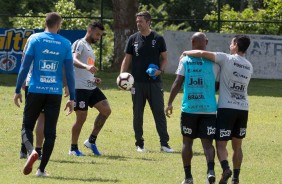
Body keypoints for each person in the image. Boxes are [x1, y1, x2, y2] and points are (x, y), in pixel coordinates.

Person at [182, 35, 252, 184]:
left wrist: (186, 52)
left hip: (227, 108)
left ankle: (226, 168)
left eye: (232, 43)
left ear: (236, 46)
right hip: (243, 108)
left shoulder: (226, 58)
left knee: (221, 144)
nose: (229, 45)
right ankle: (235, 179)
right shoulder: (249, 66)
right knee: (237, 146)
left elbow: (201, 54)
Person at [14, 12, 75, 177]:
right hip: (54, 92)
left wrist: (17, 89)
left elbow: (24, 67)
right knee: (51, 132)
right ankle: (41, 170)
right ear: (58, 25)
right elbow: (69, 73)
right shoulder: (65, 43)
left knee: (27, 126)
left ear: (45, 23)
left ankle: (31, 151)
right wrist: (72, 98)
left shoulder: (35, 39)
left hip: (34, 89)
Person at [165, 32, 220, 184]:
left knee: (187, 143)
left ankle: (188, 177)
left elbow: (177, 82)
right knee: (208, 144)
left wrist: (169, 102)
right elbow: (217, 85)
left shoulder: (185, 60)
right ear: (206, 42)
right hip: (208, 109)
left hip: (190, 109)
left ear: (192, 43)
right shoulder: (214, 62)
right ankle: (210, 171)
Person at [120, 11, 174, 153]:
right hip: (137, 83)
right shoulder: (133, 39)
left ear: (148, 21)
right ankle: (139, 144)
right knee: (137, 113)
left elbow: (165, 58)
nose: (138, 24)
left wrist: (160, 71)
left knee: (159, 113)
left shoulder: (158, 38)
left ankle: (164, 144)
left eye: (141, 21)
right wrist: (121, 76)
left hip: (155, 84)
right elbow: (127, 59)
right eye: (137, 21)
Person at [69, 22, 111, 156]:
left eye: (100, 35)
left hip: (90, 86)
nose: (98, 37)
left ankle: (91, 141)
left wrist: (94, 78)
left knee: (106, 110)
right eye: (97, 34)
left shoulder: (90, 48)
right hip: (79, 87)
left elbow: (87, 69)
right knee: (81, 118)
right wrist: (87, 67)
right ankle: (73, 149)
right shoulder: (79, 43)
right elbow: (73, 59)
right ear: (90, 30)